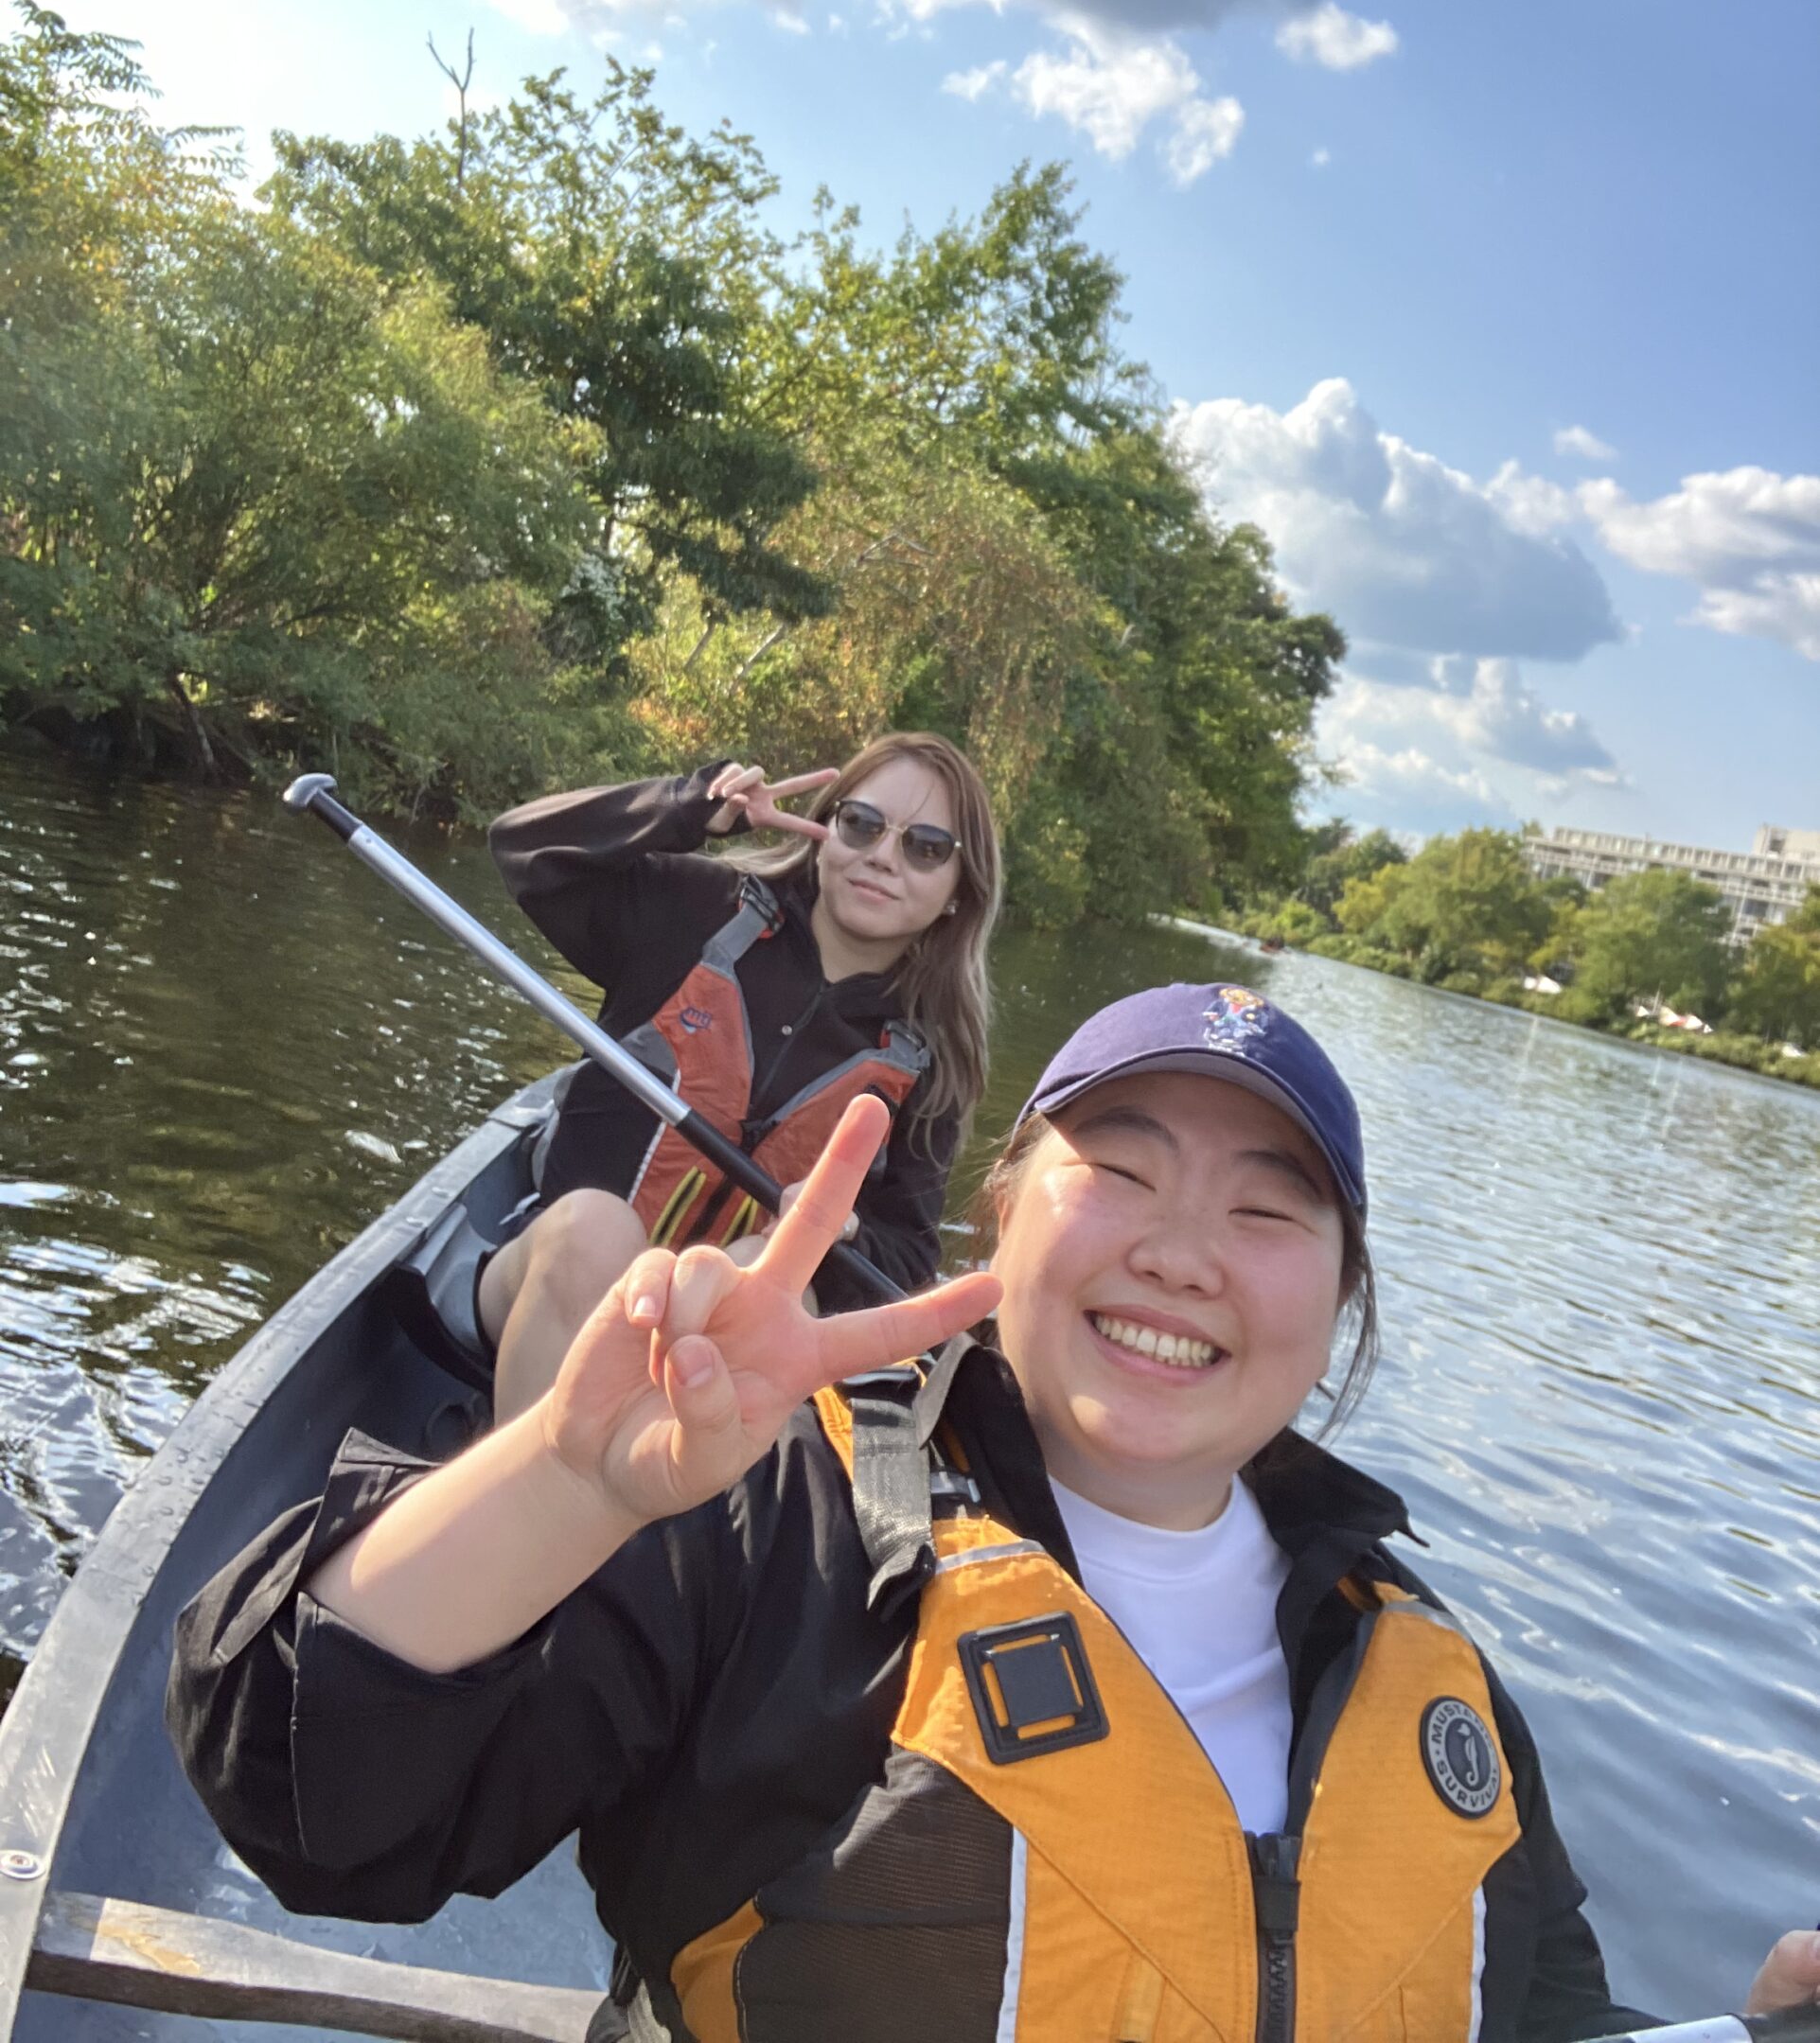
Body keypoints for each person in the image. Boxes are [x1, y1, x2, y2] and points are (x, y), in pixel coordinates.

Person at [168, 982, 1818, 2039]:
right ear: (999, 1223)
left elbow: (1541, 2022)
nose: (1182, 1250)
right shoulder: (782, 1523)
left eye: (1266, 1208)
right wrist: (562, 1481)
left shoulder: (1432, 1690)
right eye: (1118, 1174)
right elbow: (315, 1805)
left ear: (1334, 1309)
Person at [475, 733, 998, 1415]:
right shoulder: (693, 909)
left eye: (925, 847)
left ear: (959, 891)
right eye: (862, 824)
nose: (881, 857)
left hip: (703, 1369)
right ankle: (538, 1495)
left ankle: (650, 1493)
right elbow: (525, 849)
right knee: (593, 1231)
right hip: (553, 1290)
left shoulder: (930, 1058)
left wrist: (836, 1230)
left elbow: (900, 1260)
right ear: (823, 828)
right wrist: (687, 807)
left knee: (755, 1266)